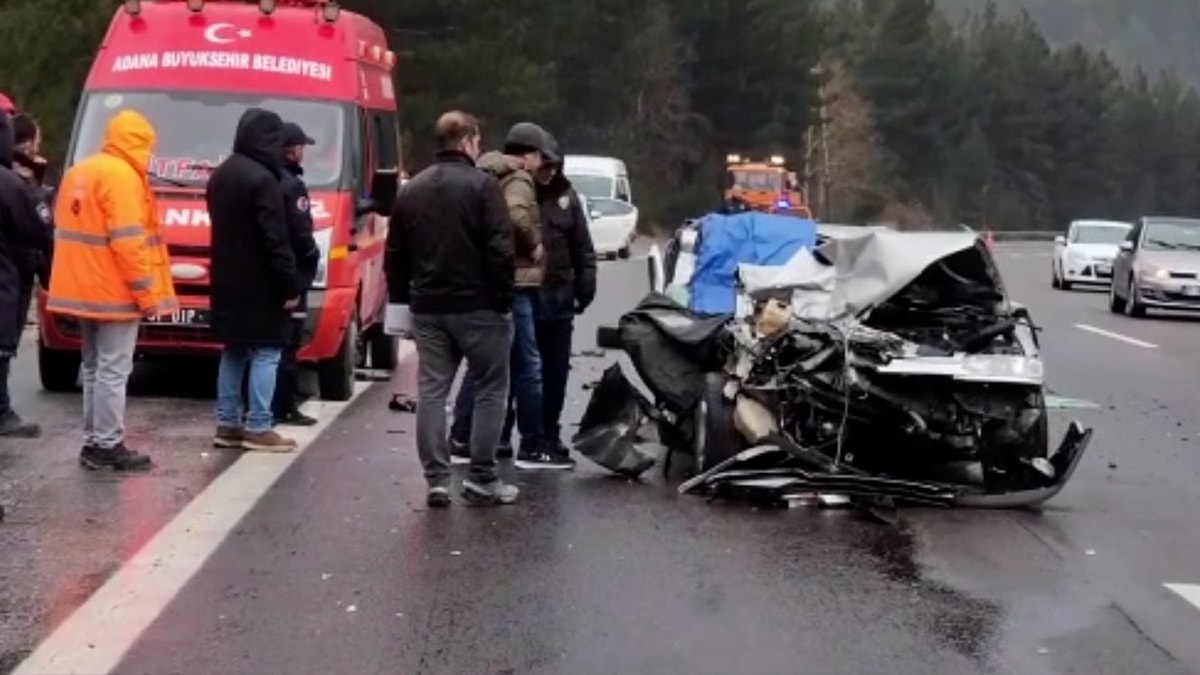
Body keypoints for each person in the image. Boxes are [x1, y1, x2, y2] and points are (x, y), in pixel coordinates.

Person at [386, 110, 518, 507]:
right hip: (478, 306)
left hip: (428, 307)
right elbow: (499, 248)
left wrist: (401, 301)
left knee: (431, 391)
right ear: (467, 142)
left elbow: (396, 255)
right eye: (477, 142)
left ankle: (437, 480)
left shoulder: (411, 190)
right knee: (491, 387)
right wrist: (503, 300)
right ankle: (482, 477)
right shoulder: (484, 186)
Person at [47, 110, 178, 467]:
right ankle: (107, 444)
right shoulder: (123, 178)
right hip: (114, 291)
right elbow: (129, 243)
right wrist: (147, 295)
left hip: (82, 289)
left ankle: (94, 441)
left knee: (93, 367)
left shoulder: (80, 171)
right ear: (139, 143)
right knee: (114, 370)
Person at [448, 122, 563, 469]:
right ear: (529, 154)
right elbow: (516, 216)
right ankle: (532, 443)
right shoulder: (519, 179)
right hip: (517, 281)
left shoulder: (484, 173)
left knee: (482, 365)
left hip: (484, 279)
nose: (543, 164)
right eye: (541, 156)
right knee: (528, 366)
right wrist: (534, 244)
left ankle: (461, 435)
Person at [206, 108, 299, 452]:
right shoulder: (263, 179)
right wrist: (289, 285)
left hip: (226, 277)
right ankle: (259, 424)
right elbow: (275, 238)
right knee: (267, 351)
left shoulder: (222, 174)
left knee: (234, 350)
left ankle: (227, 423)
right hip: (261, 283)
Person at [533, 134, 596, 466]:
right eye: (546, 167)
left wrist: (585, 289)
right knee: (522, 371)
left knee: (555, 372)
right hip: (526, 296)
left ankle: (549, 432)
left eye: (555, 167)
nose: (550, 173)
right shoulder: (516, 195)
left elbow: (583, 248)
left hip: (559, 296)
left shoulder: (567, 199)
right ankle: (511, 433)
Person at [272, 121, 321, 426]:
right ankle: (284, 406)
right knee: (288, 344)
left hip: (270, 273)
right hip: (292, 274)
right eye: (302, 147)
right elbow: (301, 233)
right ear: (292, 150)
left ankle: (265, 405)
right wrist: (312, 254)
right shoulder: (293, 185)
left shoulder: (266, 178)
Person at [10, 113, 53, 333]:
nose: (38, 149)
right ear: (27, 145)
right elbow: (42, 229)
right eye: (37, 142)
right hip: (14, 274)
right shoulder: (21, 185)